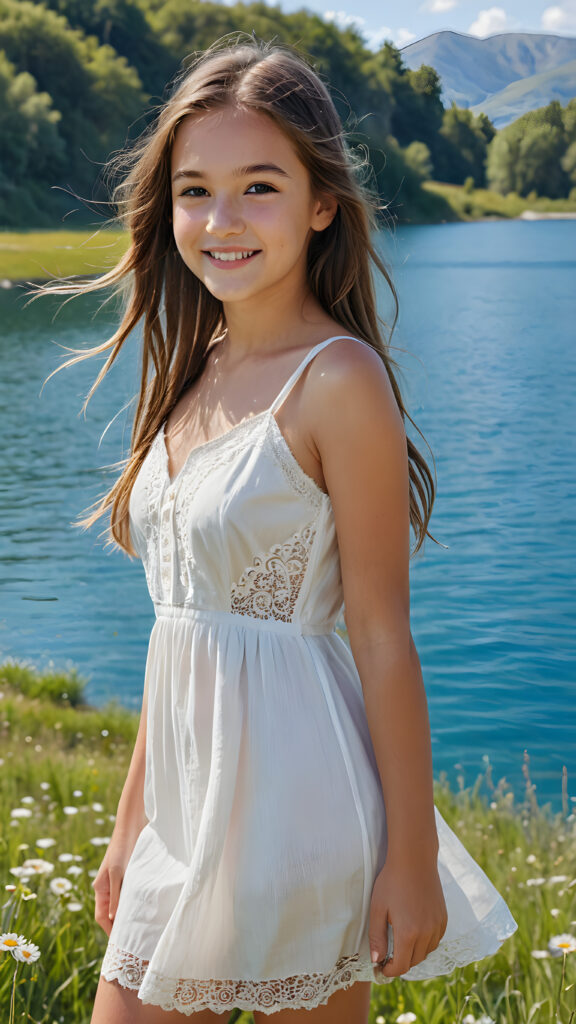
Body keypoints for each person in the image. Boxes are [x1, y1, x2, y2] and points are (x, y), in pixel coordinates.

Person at [38, 34, 517, 1023]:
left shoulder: (339, 381)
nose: (220, 219)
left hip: (302, 810)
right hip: (180, 811)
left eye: (259, 186)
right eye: (193, 188)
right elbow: (183, 628)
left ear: (321, 203)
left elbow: (382, 636)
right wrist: (130, 828)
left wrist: (413, 860)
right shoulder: (186, 373)